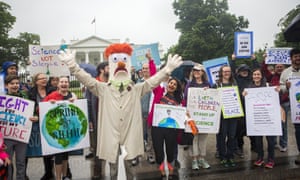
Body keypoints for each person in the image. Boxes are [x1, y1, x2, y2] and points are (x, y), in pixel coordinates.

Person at [58, 43, 182, 179]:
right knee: (113, 166)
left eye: (124, 60)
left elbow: (153, 81)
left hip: (129, 135)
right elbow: (86, 79)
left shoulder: (136, 89)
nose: (121, 64)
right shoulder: (103, 88)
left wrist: (167, 69)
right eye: (116, 60)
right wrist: (73, 66)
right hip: (111, 134)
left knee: (129, 165)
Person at [4, 75, 38, 180]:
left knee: (21, 162)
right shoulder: (2, 99)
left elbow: (33, 112)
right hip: (7, 136)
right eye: (12, 83)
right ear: (6, 85)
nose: (15, 85)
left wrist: (36, 117)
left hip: (21, 135)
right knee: (7, 162)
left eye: (17, 83)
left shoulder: (25, 96)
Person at [243, 68, 279, 169]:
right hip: (256, 119)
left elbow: (276, 97)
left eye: (258, 74)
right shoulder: (249, 88)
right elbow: (245, 102)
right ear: (252, 76)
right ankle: (260, 158)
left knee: (270, 141)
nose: (256, 76)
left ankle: (271, 159)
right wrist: (243, 96)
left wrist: (277, 91)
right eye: (254, 74)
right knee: (258, 141)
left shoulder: (268, 86)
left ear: (261, 76)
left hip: (268, 118)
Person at [43, 76, 77, 180]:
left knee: (66, 155)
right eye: (61, 82)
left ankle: (65, 176)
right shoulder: (52, 95)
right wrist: (49, 103)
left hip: (68, 131)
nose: (64, 83)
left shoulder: (72, 95)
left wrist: (74, 101)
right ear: (58, 84)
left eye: (66, 82)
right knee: (58, 155)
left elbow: (78, 110)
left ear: (68, 84)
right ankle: (58, 177)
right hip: (56, 130)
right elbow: (41, 109)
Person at [26, 73, 56, 180]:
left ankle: (49, 173)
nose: (44, 80)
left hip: (49, 122)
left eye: (45, 78)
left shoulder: (52, 90)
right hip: (35, 123)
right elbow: (29, 106)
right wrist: (35, 115)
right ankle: (23, 174)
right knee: (32, 147)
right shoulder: (30, 92)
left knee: (48, 148)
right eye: (41, 78)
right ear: (36, 81)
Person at [151, 77, 183, 178]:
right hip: (157, 128)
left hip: (171, 130)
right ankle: (161, 170)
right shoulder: (159, 93)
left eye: (174, 84)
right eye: (170, 83)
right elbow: (154, 80)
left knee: (170, 152)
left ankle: (171, 169)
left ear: (177, 88)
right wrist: (151, 61)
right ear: (167, 84)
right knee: (159, 151)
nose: (172, 85)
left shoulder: (179, 100)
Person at [230, 54, 260, 156]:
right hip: (240, 108)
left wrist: (254, 60)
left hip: (251, 108)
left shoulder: (252, 79)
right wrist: (233, 60)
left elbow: (258, 70)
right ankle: (239, 147)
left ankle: (254, 146)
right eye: (242, 70)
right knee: (239, 130)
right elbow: (231, 71)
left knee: (252, 128)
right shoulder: (236, 79)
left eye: (246, 70)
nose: (244, 72)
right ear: (239, 72)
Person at [183, 63, 211, 170]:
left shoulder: (208, 84)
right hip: (192, 116)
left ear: (203, 72)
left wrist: (208, 92)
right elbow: (185, 99)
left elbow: (213, 98)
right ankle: (194, 160)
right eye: (194, 70)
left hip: (205, 116)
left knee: (203, 138)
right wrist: (186, 112)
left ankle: (202, 158)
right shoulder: (189, 84)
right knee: (194, 138)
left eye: (198, 70)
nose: (196, 72)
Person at [85, 61, 109, 179]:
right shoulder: (93, 84)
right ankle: (97, 171)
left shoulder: (111, 83)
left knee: (109, 145)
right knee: (96, 146)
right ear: (102, 70)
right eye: (108, 67)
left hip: (109, 120)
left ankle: (111, 170)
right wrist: (89, 120)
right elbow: (88, 103)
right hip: (96, 119)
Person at [212, 65, 238, 168]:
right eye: (225, 72)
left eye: (228, 71)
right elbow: (211, 96)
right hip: (221, 116)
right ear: (221, 73)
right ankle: (222, 156)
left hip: (233, 114)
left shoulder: (234, 83)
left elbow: (238, 96)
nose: (227, 73)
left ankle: (230, 156)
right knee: (221, 136)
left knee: (232, 136)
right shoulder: (216, 84)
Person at [261, 56, 288, 152]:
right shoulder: (271, 76)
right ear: (275, 68)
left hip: (284, 104)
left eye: (281, 66)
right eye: (277, 67)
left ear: (284, 68)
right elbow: (263, 70)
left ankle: (283, 144)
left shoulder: (287, 76)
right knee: (273, 124)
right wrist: (265, 60)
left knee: (283, 125)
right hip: (273, 104)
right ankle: (275, 143)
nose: (279, 68)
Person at [280, 48, 300, 165]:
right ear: (291, 58)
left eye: (299, 56)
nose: (298, 58)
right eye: (295, 56)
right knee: (298, 131)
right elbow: (281, 87)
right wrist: (286, 87)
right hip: (296, 108)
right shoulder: (286, 72)